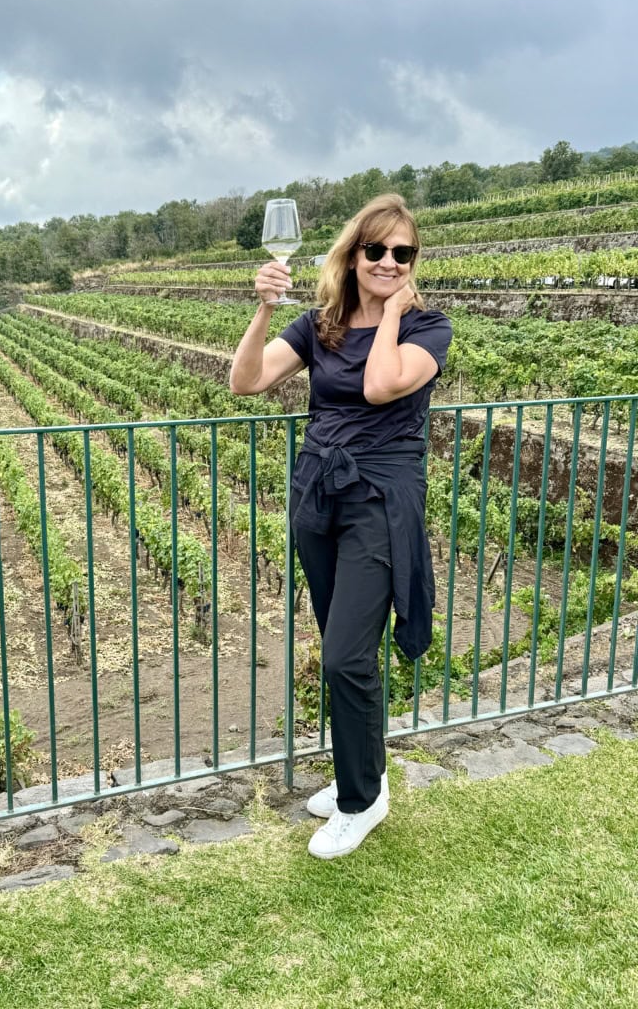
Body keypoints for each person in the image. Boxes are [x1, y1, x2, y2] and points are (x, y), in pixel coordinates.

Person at [230, 193, 452, 860]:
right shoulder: (318, 325)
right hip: (319, 497)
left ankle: (360, 801)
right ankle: (365, 775)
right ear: (352, 255)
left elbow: (383, 386)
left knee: (346, 656)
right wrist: (265, 306)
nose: (388, 260)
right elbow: (246, 382)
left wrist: (389, 313)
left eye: (401, 253)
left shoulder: (429, 328)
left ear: (413, 263)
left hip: (380, 502)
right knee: (345, 651)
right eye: (375, 249)